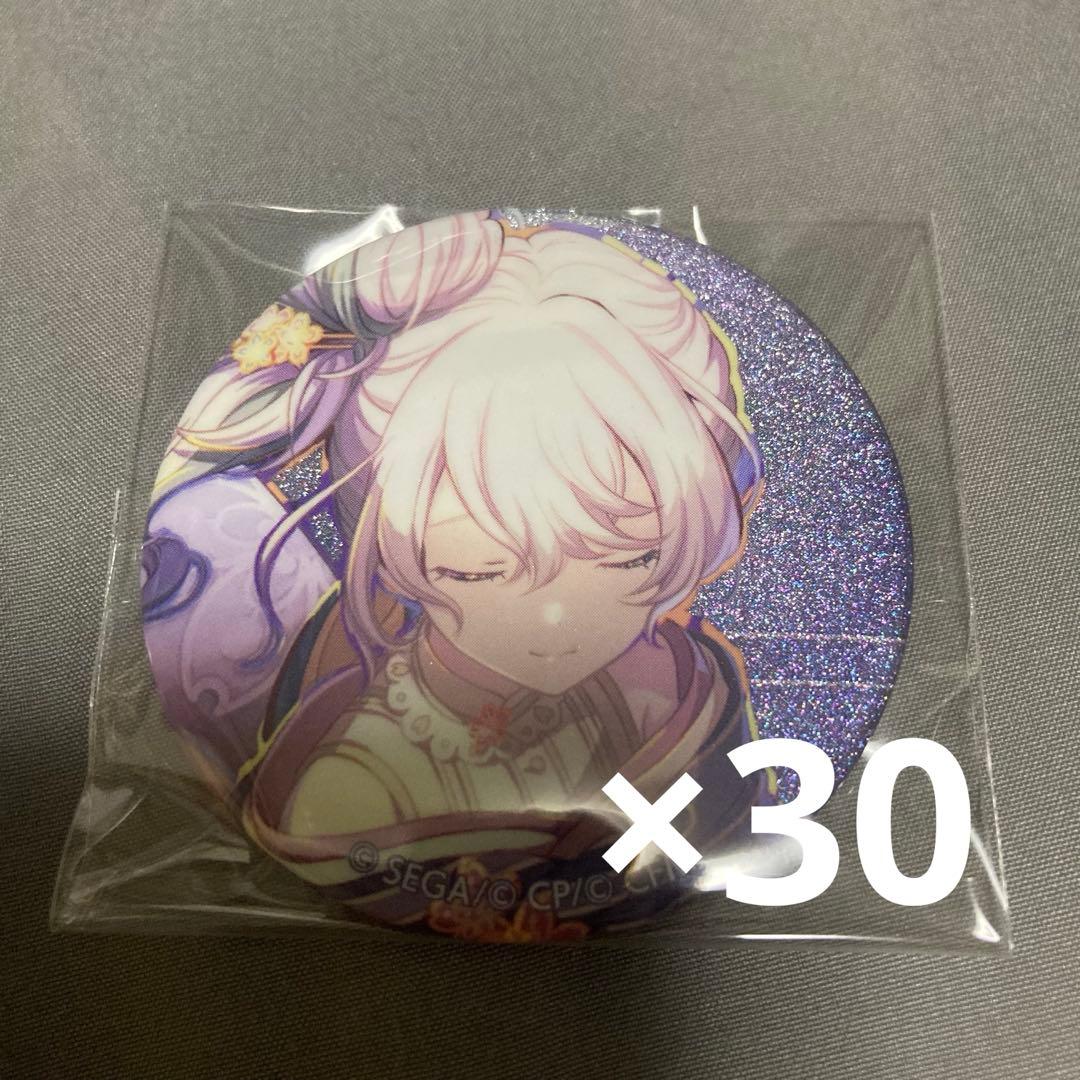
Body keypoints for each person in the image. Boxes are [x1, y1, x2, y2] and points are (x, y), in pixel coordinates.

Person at [143, 211, 775, 940]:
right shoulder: (358, 782)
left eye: (631, 560)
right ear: (384, 544)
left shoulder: (678, 693)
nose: (554, 621)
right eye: (474, 572)